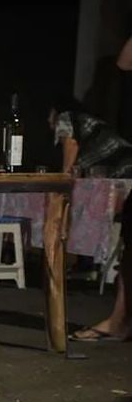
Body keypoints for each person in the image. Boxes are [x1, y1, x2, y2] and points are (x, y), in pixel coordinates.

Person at [51, 95, 132, 342]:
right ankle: (119, 320)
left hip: (121, 171)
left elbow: (70, 146)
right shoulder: (90, 121)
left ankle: (118, 322)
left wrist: (64, 177)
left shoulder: (66, 118)